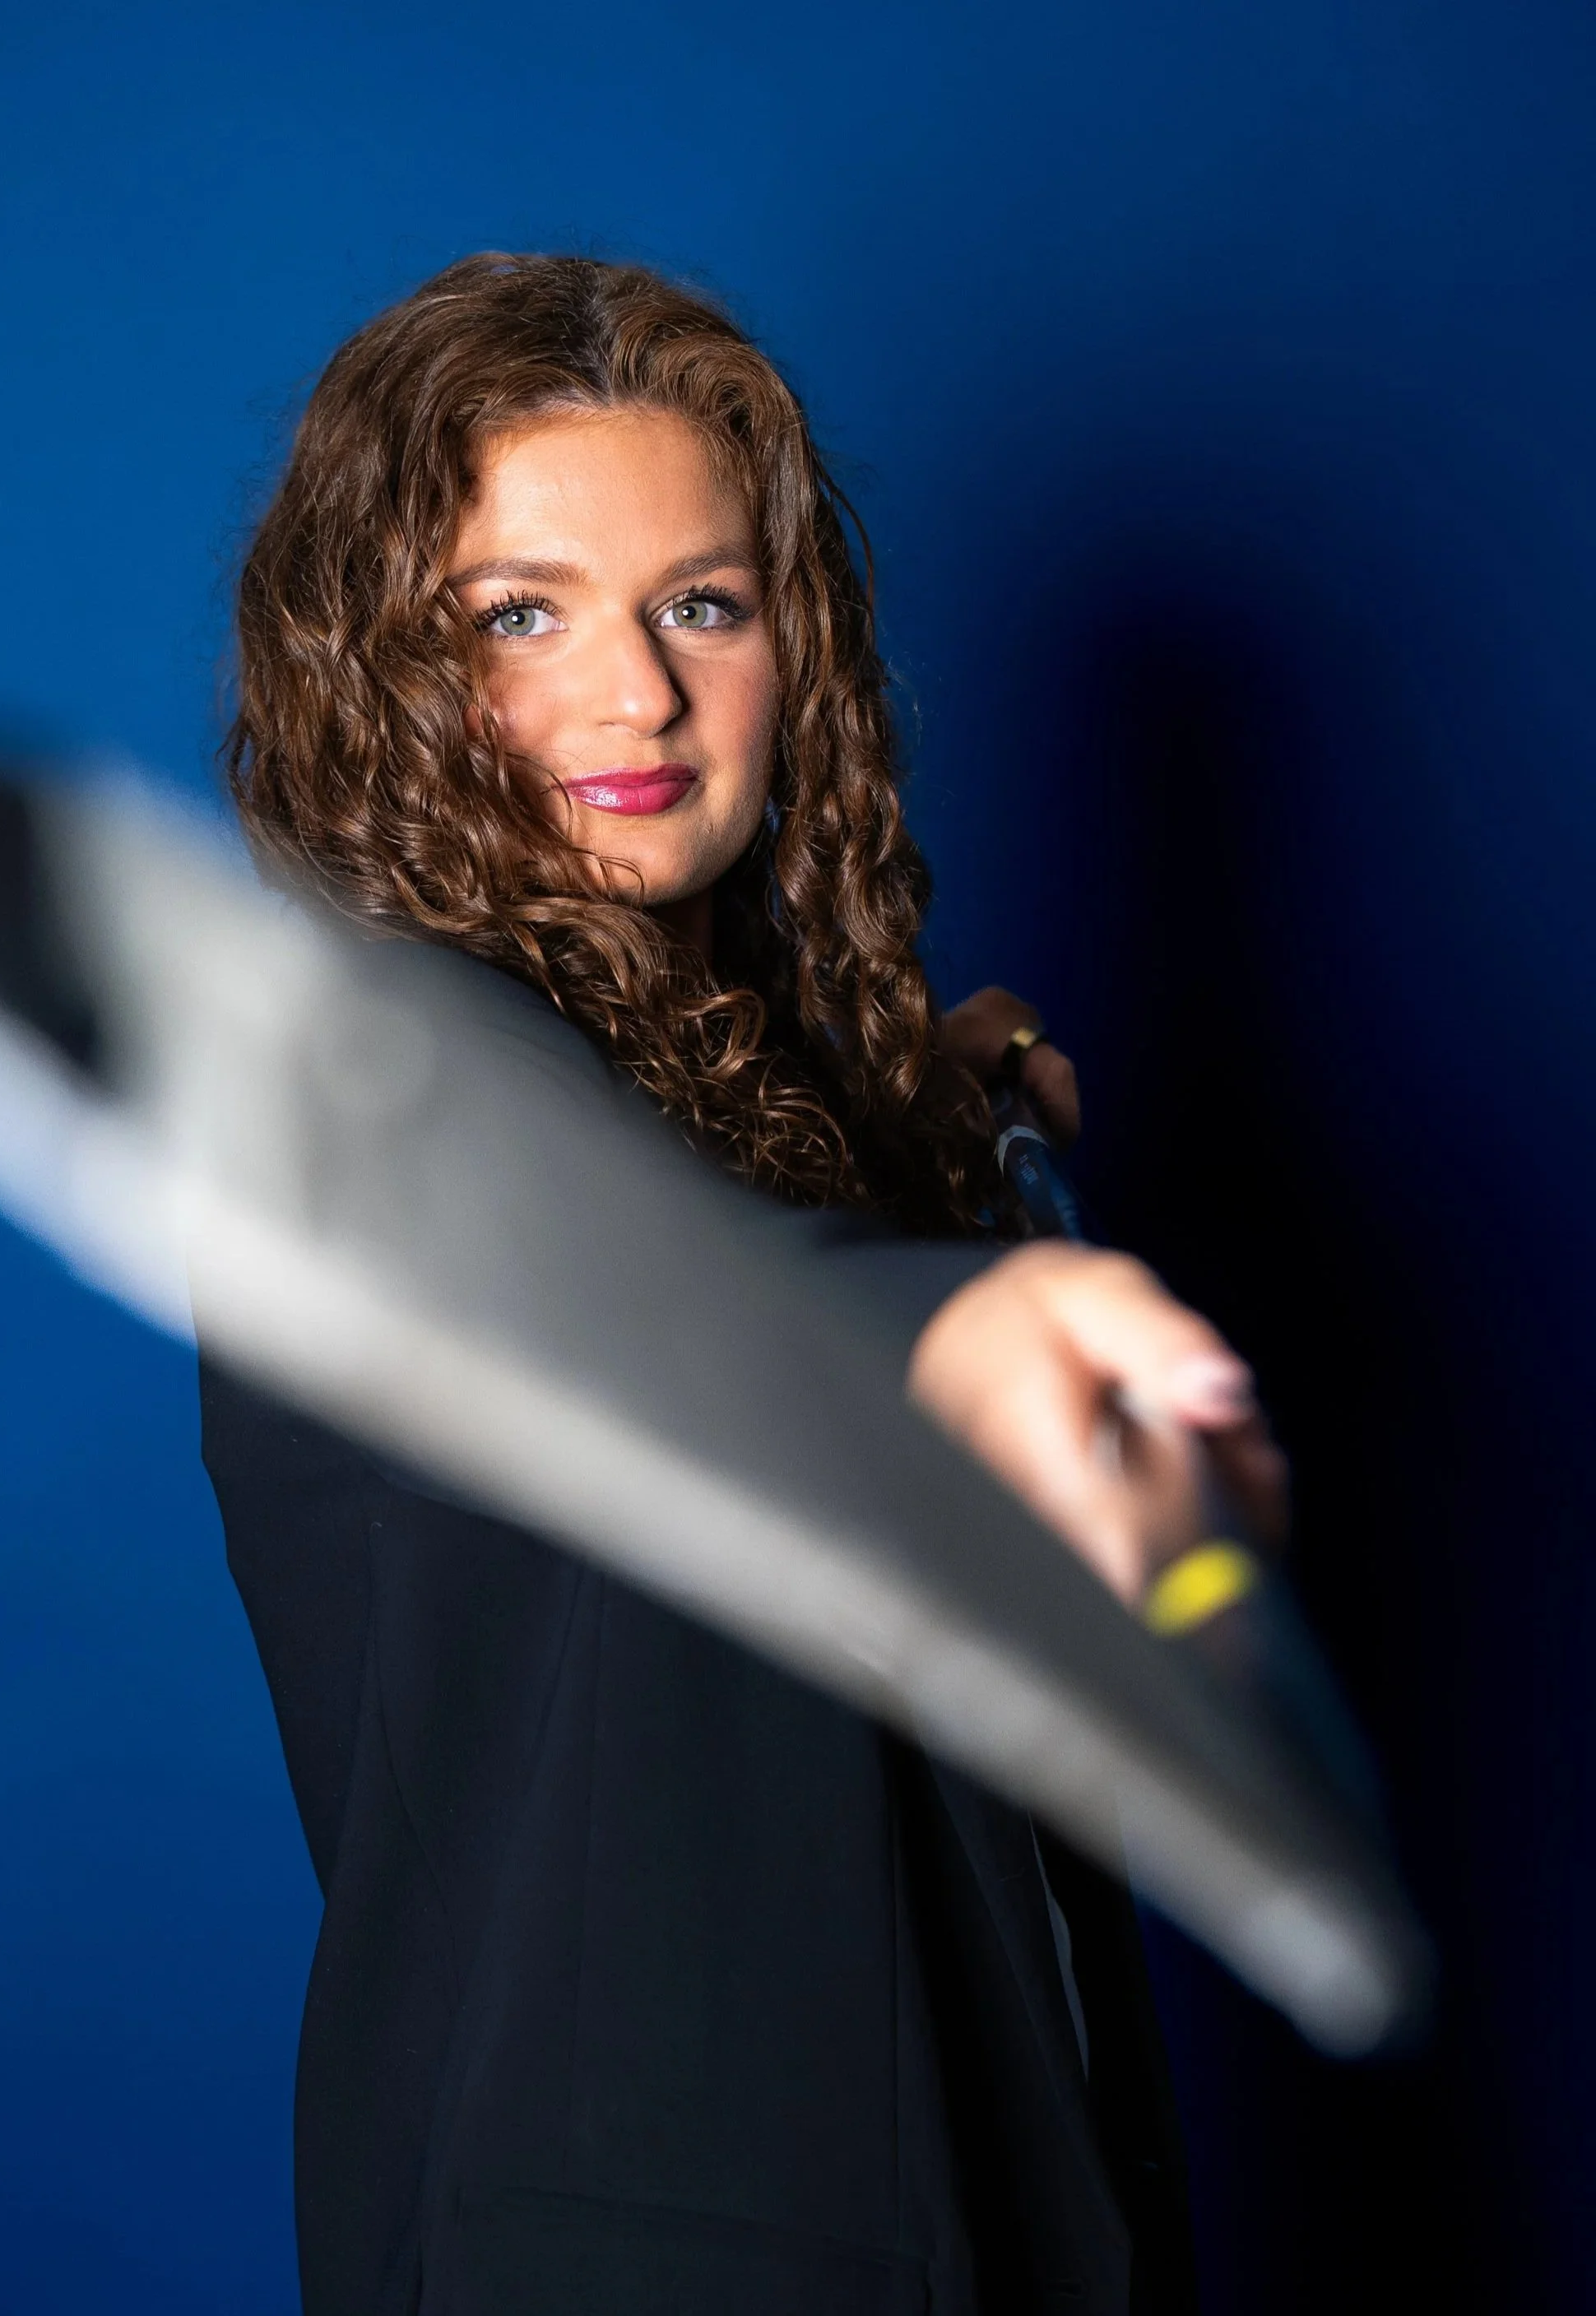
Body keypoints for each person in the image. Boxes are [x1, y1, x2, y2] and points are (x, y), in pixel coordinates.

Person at [205, 253, 1283, 2316]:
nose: (638, 695)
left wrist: (921, 1125)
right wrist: (957, 1311)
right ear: (376, 666)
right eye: (518, 616)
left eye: (699, 604)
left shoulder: (720, 1070)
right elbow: (621, 1282)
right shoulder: (375, 1063)